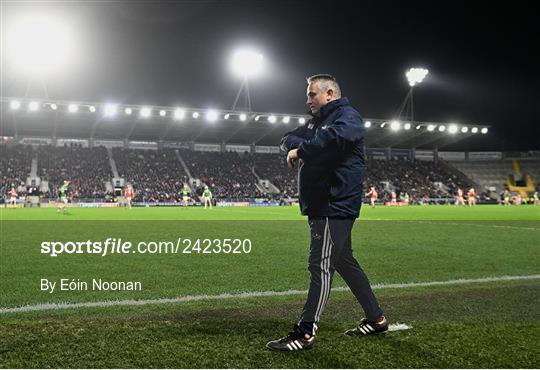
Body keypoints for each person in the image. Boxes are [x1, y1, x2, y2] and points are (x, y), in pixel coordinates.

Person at [267, 74, 387, 352]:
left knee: (320, 265)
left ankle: (305, 332)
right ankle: (376, 318)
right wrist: (296, 146)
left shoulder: (348, 117)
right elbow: (287, 137)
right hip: (323, 203)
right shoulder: (318, 123)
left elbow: (333, 139)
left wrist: (302, 150)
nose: (307, 100)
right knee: (345, 262)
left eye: (312, 94)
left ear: (329, 93)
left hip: (335, 204)